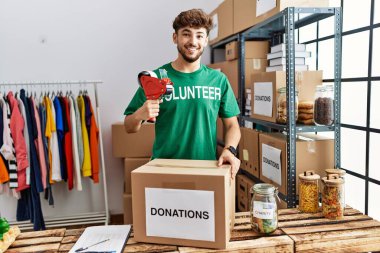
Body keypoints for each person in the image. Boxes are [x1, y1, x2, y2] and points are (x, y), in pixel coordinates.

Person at [124, 8, 241, 178]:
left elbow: (232, 126)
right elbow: (129, 127)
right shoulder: (155, 78)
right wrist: (140, 114)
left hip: (205, 169)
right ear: (175, 37)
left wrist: (229, 149)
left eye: (199, 35)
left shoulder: (218, 80)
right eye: (186, 34)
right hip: (164, 169)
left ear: (206, 40)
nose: (193, 41)